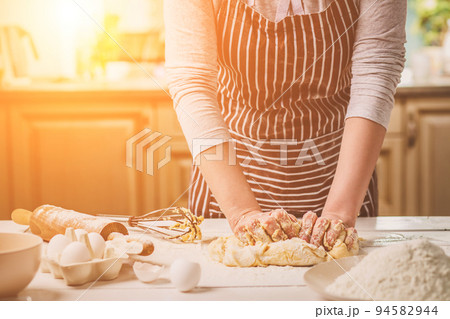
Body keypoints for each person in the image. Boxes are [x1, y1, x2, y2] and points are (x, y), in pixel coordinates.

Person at [164, 0, 406, 246]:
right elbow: (192, 80)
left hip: (341, 181)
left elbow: (377, 69)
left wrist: (337, 214)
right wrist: (242, 213)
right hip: (228, 187)